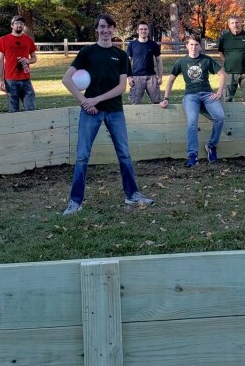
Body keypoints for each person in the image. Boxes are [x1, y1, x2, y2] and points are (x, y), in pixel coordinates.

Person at [61, 14, 154, 215]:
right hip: (90, 112)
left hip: (114, 111)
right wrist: (85, 101)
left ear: (113, 30)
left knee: (125, 154)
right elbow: (66, 80)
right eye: (102, 27)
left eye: (109, 27)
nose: (105, 30)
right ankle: (75, 201)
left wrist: (96, 100)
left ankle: (132, 194)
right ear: (97, 29)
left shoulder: (120, 55)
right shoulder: (87, 52)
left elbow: (121, 87)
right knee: (82, 156)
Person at [160, 33, 227, 167]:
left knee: (220, 117)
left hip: (207, 94)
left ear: (200, 47)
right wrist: (166, 98)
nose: (194, 47)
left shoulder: (206, 60)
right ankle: (192, 155)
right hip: (191, 96)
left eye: (196, 45)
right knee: (192, 122)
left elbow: (223, 75)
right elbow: (171, 80)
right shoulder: (181, 61)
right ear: (187, 46)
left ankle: (211, 146)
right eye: (191, 44)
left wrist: (219, 92)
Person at [0, 15, 38, 112]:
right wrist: (0, 80)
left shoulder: (28, 40)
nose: (19, 25)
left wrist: (28, 61)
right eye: (17, 23)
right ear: (12, 25)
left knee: (31, 109)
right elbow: (0, 61)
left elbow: (34, 58)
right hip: (11, 80)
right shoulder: (3, 40)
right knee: (13, 111)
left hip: (26, 80)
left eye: (22, 24)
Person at [217, 15, 245, 101]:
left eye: (237, 22)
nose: (235, 25)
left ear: (241, 23)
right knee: (227, 99)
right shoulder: (224, 38)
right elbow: (220, 52)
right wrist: (227, 61)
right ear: (229, 25)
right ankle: (227, 115)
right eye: (232, 23)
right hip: (229, 72)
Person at [126, 22, 164, 104]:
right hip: (137, 78)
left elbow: (159, 61)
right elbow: (127, 62)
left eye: (145, 29)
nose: (143, 31)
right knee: (135, 103)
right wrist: (129, 77)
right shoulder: (132, 45)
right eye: (141, 29)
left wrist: (160, 77)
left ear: (148, 31)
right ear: (137, 31)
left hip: (152, 78)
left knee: (158, 102)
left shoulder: (153, 44)